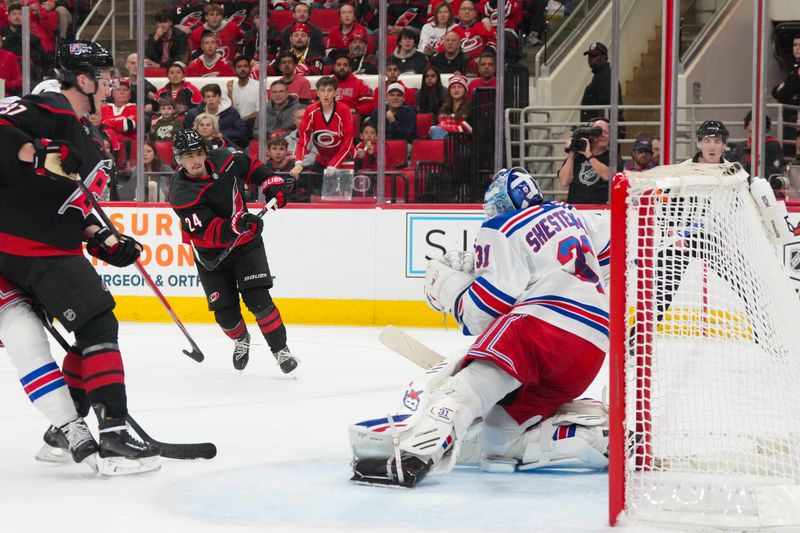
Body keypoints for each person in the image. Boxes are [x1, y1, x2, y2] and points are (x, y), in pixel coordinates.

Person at [350, 167, 609, 487]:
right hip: (593, 346)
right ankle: (597, 437)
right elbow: (612, 254)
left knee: (463, 389)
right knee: (499, 438)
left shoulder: (502, 226)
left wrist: (448, 290)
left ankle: (413, 458)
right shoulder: (573, 215)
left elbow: (482, 313)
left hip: (542, 331)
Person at [0, 40, 160, 474]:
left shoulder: (89, 133)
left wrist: (102, 238)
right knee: (98, 322)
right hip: (30, 248)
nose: (112, 83)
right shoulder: (51, 107)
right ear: (83, 80)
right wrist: (36, 153)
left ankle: (61, 433)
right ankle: (114, 437)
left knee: (91, 328)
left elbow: (71, 205)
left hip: (52, 244)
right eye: (105, 75)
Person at [169, 129, 299, 374]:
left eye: (198, 153)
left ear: (206, 152)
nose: (195, 160)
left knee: (259, 301)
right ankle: (241, 339)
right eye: (188, 156)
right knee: (225, 316)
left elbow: (251, 167)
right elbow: (205, 231)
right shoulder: (181, 193)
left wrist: (272, 185)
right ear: (179, 160)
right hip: (211, 257)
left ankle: (281, 351)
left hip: (246, 245)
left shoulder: (225, 159)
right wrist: (236, 223)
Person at [289, 76, 354, 179]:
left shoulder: (344, 111)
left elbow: (347, 143)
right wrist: (299, 162)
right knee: (315, 194)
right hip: (323, 159)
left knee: (342, 195)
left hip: (345, 159)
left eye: (330, 90)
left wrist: (334, 165)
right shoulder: (310, 111)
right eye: (322, 90)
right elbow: (303, 139)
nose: (326, 94)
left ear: (335, 92)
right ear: (317, 93)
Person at [557, 117, 623, 204]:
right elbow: (564, 181)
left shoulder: (613, 157)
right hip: (576, 209)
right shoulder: (577, 156)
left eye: (606, 132)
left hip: (601, 211)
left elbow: (608, 176)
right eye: (597, 131)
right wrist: (572, 151)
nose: (602, 135)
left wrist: (588, 154)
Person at [580, 42, 625, 136]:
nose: (590, 59)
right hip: (598, 130)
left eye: (594, 55)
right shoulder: (601, 75)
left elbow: (606, 106)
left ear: (604, 57)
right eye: (589, 56)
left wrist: (600, 130)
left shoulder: (604, 76)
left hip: (601, 133)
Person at [185, 83, 248, 149]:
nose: (211, 99)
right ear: (204, 99)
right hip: (199, 146)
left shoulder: (231, 112)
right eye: (208, 97)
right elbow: (187, 132)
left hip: (227, 146)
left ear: (219, 97)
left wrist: (222, 134)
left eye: (214, 96)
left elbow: (242, 131)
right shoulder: (193, 113)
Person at [728, 111, 784, 177]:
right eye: (750, 131)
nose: (754, 135)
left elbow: (776, 170)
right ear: (746, 129)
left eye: (757, 131)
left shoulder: (773, 145)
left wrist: (749, 168)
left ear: (767, 130)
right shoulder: (742, 146)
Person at [771, 34, 800, 158]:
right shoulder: (794, 68)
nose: (797, 48)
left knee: (792, 154)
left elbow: (782, 94)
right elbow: (776, 92)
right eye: (795, 45)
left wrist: (782, 88)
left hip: (796, 120)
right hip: (790, 120)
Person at [429, 74, 472, 140]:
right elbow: (433, 128)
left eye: (460, 87)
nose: (456, 90)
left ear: (465, 91)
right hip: (443, 141)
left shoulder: (470, 108)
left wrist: (443, 127)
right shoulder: (442, 110)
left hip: (462, 144)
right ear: (449, 91)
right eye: (453, 87)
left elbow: (467, 130)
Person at [332, 52, 373, 118]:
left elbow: (369, 106)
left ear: (350, 68)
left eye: (345, 65)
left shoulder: (359, 84)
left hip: (351, 117)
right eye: (339, 65)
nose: (342, 67)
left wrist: (355, 110)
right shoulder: (328, 83)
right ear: (334, 67)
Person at [227, 55, 260, 134]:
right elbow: (229, 112)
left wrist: (243, 119)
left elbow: (260, 112)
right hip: (234, 125)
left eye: (245, 66)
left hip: (252, 124)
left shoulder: (259, 86)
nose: (242, 69)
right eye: (239, 67)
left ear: (250, 68)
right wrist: (230, 93)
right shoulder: (230, 86)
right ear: (234, 70)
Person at [100, 78, 137, 145]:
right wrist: (121, 120)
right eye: (118, 89)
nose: (122, 92)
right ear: (112, 93)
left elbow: (128, 126)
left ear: (130, 95)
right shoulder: (104, 108)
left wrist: (106, 122)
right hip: (106, 146)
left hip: (128, 147)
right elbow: (99, 126)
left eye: (125, 90)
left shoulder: (136, 109)